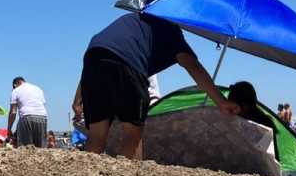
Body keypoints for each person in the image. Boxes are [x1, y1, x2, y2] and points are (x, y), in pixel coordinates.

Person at [73, 12, 238, 159]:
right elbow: (192, 66)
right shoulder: (170, 30)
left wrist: (77, 98)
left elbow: (103, 53)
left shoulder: (135, 18)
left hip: (93, 57)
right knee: (132, 133)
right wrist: (221, 102)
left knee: (96, 135)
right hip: (127, 63)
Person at [8, 77, 49, 147]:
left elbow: (13, 112)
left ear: (15, 85)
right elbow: (42, 105)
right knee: (41, 149)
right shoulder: (38, 89)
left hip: (27, 118)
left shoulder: (16, 91)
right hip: (43, 117)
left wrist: (9, 128)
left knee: (25, 149)